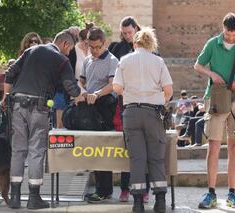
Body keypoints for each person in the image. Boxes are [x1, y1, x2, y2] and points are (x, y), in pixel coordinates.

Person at [2, 29, 81, 209]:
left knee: (18, 150)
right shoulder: (62, 60)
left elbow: (10, 73)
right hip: (39, 107)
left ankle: (14, 197)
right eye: (69, 50)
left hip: (17, 105)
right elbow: (71, 87)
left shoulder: (31, 50)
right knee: (36, 151)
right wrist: (82, 95)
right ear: (65, 44)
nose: (69, 53)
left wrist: (6, 95)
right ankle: (33, 198)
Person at [194, 12, 235, 209]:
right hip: (215, 98)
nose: (231, 37)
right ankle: (211, 193)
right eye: (228, 33)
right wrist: (211, 73)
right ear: (223, 28)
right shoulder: (212, 44)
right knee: (213, 146)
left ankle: (232, 193)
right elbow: (197, 65)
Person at [113, 27, 173, 213]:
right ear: (151, 43)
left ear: (135, 43)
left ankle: (138, 203)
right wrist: (157, 100)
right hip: (153, 113)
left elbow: (116, 87)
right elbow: (168, 91)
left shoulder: (124, 60)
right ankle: (160, 201)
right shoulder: (158, 61)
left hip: (131, 113)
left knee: (137, 158)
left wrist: (132, 93)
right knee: (156, 158)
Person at [109, 16, 151, 203]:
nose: (127, 36)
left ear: (136, 30)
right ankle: (125, 189)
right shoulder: (116, 49)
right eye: (124, 33)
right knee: (127, 148)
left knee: (146, 150)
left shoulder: (149, 49)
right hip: (123, 104)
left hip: (145, 103)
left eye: (129, 33)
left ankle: (145, 190)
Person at [74, 27, 119, 203]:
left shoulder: (113, 61)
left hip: (105, 106)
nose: (93, 51)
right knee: (93, 149)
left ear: (104, 43)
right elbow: (81, 81)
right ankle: (101, 188)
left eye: (97, 47)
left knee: (102, 149)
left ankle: (104, 190)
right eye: (90, 47)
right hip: (89, 106)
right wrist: (82, 92)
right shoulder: (87, 60)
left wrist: (97, 94)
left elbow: (112, 84)